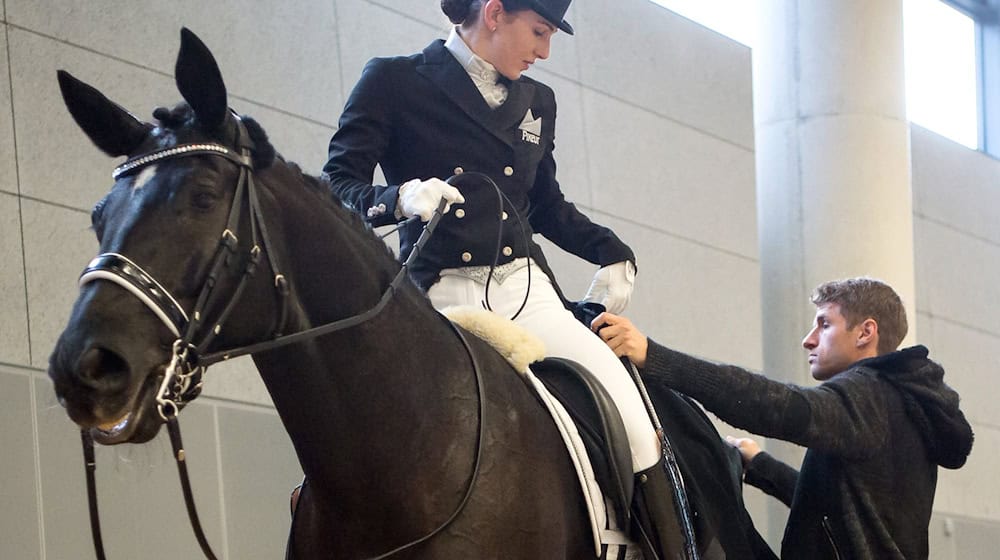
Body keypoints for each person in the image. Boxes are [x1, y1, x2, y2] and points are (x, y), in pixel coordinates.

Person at [322, 0, 683, 555]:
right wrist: (397, 198)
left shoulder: (540, 99)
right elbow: (339, 184)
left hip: (526, 291)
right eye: (538, 32)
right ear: (493, 12)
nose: (544, 51)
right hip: (437, 297)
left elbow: (544, 205)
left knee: (635, 423)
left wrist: (612, 251)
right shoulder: (393, 80)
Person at [593, 277, 974, 559]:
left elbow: (775, 405)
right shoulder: (903, 405)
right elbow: (835, 509)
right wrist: (759, 465)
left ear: (866, 332)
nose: (809, 339)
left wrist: (654, 356)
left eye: (824, 324)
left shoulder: (869, 393)